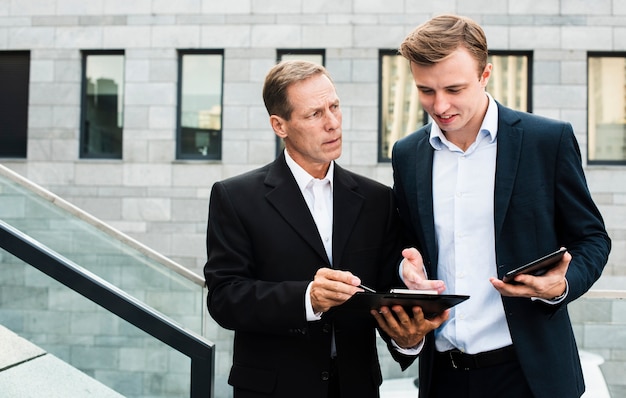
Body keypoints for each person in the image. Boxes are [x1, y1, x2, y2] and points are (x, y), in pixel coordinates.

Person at [392, 14, 611, 398]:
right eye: (426, 90)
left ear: (485, 74)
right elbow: (406, 245)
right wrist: (406, 269)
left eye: (454, 89)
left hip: (530, 377)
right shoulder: (407, 154)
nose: (439, 105)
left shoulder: (547, 141)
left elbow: (592, 239)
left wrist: (559, 286)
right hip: (442, 377)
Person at [204, 60, 447, 398]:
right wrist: (308, 298)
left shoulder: (376, 199)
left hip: (357, 388)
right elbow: (225, 298)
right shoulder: (235, 197)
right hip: (273, 390)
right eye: (314, 114)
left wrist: (408, 337)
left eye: (334, 107)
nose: (333, 123)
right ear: (280, 125)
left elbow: (386, 294)